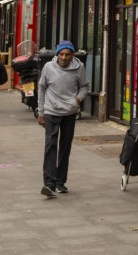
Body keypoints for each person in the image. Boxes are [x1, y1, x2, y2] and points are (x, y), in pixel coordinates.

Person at [37, 40, 89, 197]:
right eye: (61, 54)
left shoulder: (78, 67)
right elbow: (41, 88)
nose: (64, 57)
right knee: (50, 146)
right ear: (57, 54)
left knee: (65, 147)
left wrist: (77, 100)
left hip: (69, 113)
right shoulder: (48, 67)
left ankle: (60, 182)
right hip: (51, 111)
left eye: (67, 54)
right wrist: (41, 112)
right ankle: (49, 184)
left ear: (72, 55)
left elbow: (85, 86)